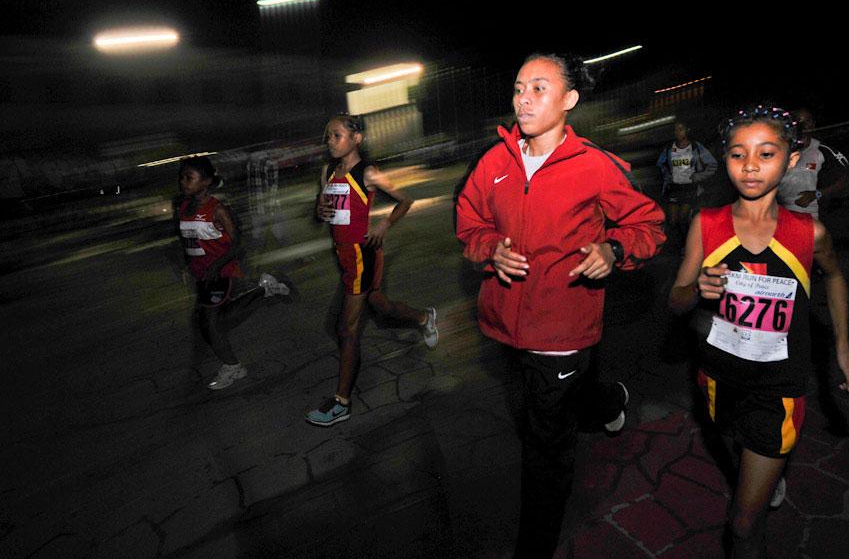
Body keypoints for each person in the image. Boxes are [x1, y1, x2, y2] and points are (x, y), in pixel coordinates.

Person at [455, 53, 665, 559]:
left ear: (569, 101)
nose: (523, 99)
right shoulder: (494, 162)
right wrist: (490, 250)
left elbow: (649, 226)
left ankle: (535, 547)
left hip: (564, 329)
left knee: (545, 445)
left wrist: (612, 251)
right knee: (543, 410)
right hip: (504, 324)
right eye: (519, 87)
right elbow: (470, 222)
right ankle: (609, 400)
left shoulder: (595, 166)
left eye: (539, 88)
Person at [668, 103, 849, 559]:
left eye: (766, 153)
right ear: (725, 160)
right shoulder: (707, 224)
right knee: (735, 448)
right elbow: (676, 300)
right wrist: (695, 289)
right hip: (716, 379)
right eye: (739, 155)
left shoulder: (809, 233)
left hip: (777, 389)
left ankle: (761, 483)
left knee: (742, 525)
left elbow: (834, 277)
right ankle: (760, 472)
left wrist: (842, 348)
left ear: (791, 160)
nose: (751, 166)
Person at [305, 114, 439, 427]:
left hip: (362, 254)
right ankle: (424, 318)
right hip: (343, 256)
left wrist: (384, 222)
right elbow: (324, 207)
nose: (330, 141)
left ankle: (341, 402)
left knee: (346, 330)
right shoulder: (328, 172)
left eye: (336, 135)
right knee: (380, 305)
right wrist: (319, 209)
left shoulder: (368, 173)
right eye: (328, 136)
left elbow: (405, 200)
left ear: (356, 139)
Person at [177, 156, 291, 390]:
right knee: (216, 320)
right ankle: (264, 290)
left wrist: (218, 265)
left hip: (219, 273)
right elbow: (189, 239)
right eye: (182, 177)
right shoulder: (184, 207)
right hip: (202, 274)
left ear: (206, 181)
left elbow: (237, 242)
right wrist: (188, 266)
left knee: (211, 324)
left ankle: (232, 367)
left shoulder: (217, 209)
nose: (183, 182)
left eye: (190, 177)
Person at [777, 108, 848, 217]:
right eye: (799, 121)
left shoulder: (824, 151)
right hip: (781, 216)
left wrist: (818, 194)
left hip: (814, 217)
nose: (804, 126)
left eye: (807, 121)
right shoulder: (779, 151)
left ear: (813, 124)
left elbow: (842, 182)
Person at [656, 121, 719, 239]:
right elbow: (660, 164)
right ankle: (683, 242)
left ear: (687, 130)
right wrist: (667, 175)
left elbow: (712, 164)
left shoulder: (695, 147)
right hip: (674, 187)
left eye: (681, 129)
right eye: (676, 130)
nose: (678, 132)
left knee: (682, 218)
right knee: (673, 221)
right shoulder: (669, 148)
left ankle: (688, 244)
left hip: (690, 187)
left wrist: (699, 176)